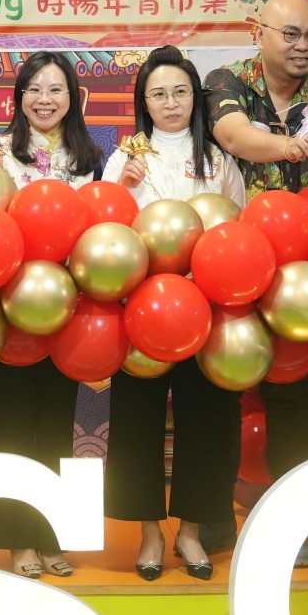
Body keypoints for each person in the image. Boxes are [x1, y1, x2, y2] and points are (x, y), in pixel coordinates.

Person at [204, 0, 308, 568]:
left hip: (300, 277)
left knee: (292, 400)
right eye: (290, 34)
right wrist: (289, 146)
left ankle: (291, 527)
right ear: (256, 32)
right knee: (220, 392)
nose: (303, 46)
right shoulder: (227, 82)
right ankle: (212, 520)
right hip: (233, 268)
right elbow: (234, 136)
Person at [101, 46, 245, 581]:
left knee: (207, 418)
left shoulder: (218, 158)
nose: (170, 103)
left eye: (180, 92)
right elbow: (106, 231)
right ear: (143, 102)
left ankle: (190, 530)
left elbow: (237, 229)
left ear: (194, 97)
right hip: (142, 310)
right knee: (136, 419)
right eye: (158, 94)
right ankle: (148, 532)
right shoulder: (125, 157)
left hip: (205, 309)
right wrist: (123, 186)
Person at [0, 51, 102, 578]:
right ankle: (16, 541)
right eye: (34, 89)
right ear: (19, 97)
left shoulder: (89, 158)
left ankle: (54, 537)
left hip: (67, 309)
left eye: (55, 89)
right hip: (12, 308)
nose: (44, 99)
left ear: (72, 97)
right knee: (10, 427)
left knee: (58, 427)